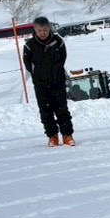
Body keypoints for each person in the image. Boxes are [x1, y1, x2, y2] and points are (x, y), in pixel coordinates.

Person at [23, 17, 72, 147]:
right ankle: (52, 136)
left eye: (45, 30)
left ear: (49, 29)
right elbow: (28, 64)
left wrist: (55, 71)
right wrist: (38, 74)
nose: (42, 33)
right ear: (35, 30)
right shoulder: (29, 45)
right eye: (39, 30)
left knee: (62, 109)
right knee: (45, 110)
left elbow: (63, 58)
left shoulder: (58, 41)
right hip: (40, 83)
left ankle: (67, 135)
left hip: (58, 81)